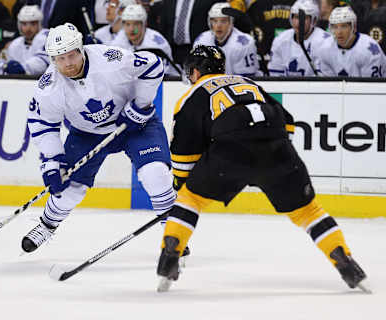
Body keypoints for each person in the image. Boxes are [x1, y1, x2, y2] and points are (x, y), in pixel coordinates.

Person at [155, 44, 368, 293]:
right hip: (276, 146)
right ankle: (345, 261)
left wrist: (182, 187)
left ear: (194, 71)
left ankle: (170, 255)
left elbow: (184, 155)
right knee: (309, 212)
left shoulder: (191, 96)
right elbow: (287, 123)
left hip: (231, 150)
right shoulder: (248, 83)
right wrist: (272, 153)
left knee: (190, 199)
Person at [22, 23, 176, 253]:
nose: (67, 64)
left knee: (155, 174)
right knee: (67, 189)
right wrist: (53, 160)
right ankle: (47, 225)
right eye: (60, 59)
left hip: (135, 124)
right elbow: (43, 125)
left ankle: (175, 235)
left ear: (81, 49)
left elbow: (153, 66)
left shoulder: (111, 59)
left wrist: (140, 105)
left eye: (71, 55)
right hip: (87, 134)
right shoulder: (48, 87)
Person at [317, 5, 386, 77]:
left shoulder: (369, 50)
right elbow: (328, 84)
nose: (339, 32)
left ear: (354, 27)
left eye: (344, 26)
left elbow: (371, 86)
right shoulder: (325, 48)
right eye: (335, 27)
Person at [110, 4, 178, 76]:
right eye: (127, 24)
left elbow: (165, 73)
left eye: (136, 24)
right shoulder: (119, 40)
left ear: (144, 24)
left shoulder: (156, 43)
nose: (131, 29)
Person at [193, 2, 259, 77]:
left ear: (231, 22)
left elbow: (246, 79)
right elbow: (196, 75)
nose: (218, 26)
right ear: (210, 22)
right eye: (215, 21)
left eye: (223, 21)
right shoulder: (201, 40)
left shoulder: (245, 43)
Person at [268, 0, 330, 76]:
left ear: (314, 21)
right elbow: (275, 76)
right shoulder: (280, 40)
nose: (298, 22)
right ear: (291, 18)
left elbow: (324, 79)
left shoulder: (325, 42)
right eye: (296, 17)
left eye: (304, 18)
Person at [3, 5, 49, 75]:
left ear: (39, 24)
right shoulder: (15, 44)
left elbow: (41, 62)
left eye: (33, 24)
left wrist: (23, 68)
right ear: (19, 25)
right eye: (24, 24)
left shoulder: (47, 37)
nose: (28, 28)